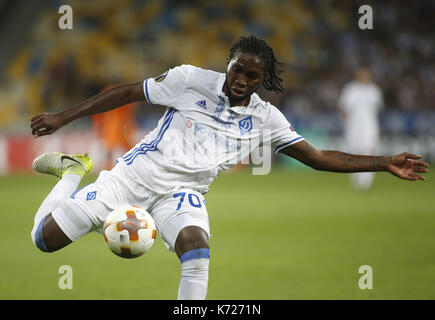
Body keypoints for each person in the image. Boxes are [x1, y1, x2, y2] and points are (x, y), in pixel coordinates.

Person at [30, 35, 429, 300]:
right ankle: (72, 172)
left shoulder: (265, 118)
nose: (240, 79)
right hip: (131, 178)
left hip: (182, 195)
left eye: (251, 76)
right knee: (44, 240)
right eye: (237, 69)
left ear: (262, 80)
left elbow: (317, 157)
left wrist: (383, 162)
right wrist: (64, 117)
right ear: (229, 63)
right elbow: (129, 91)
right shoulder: (189, 80)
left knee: (196, 249)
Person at [338, 67, 384, 190]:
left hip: (370, 126)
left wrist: (379, 128)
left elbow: (378, 112)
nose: (364, 77)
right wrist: (346, 124)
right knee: (353, 153)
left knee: (368, 152)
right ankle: (356, 181)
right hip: (353, 127)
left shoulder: (374, 90)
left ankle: (366, 182)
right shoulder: (350, 89)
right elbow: (343, 109)